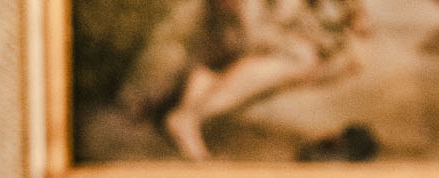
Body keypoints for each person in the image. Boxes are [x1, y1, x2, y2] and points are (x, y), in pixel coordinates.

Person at [152, 0, 369, 160]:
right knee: (298, 60)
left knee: (319, 62)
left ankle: (188, 125)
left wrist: (353, 14)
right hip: (252, 20)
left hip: (261, 23)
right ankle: (188, 118)